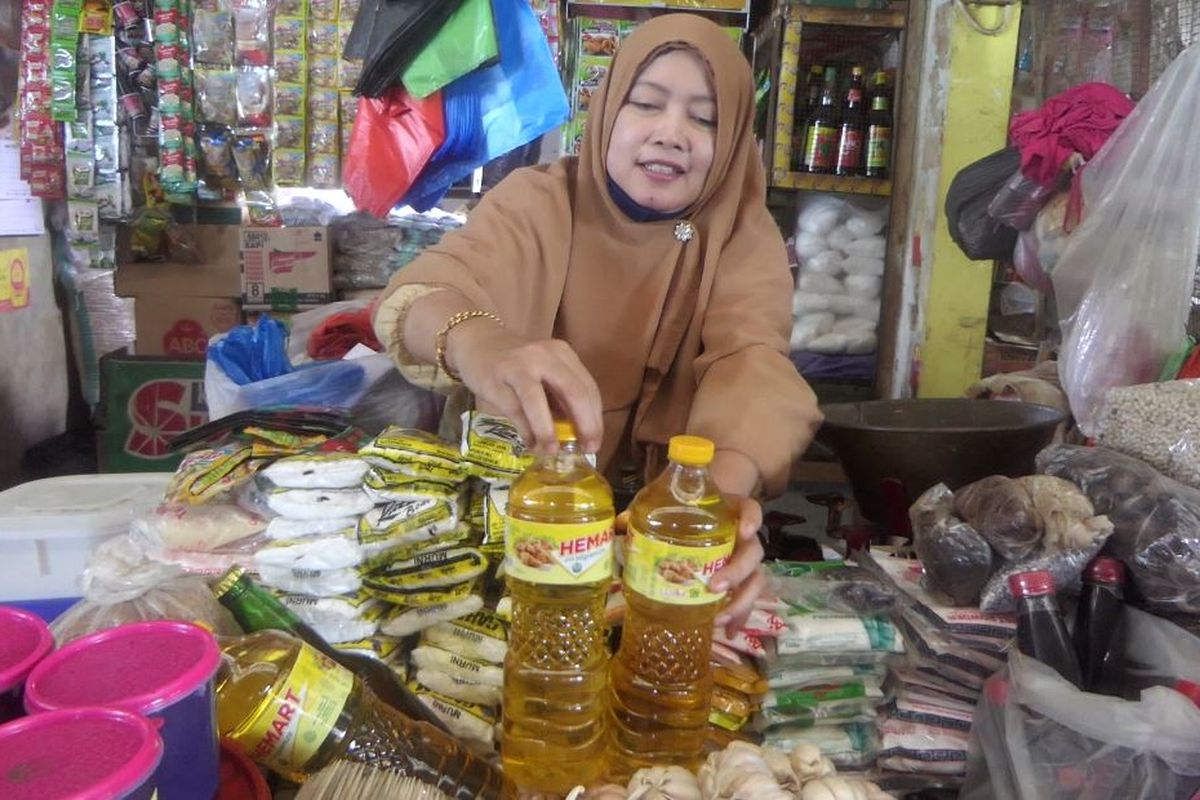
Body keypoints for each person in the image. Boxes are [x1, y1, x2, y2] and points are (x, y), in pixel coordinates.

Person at [372, 14, 821, 632]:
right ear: (606, 111)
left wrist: (708, 505)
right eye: (646, 103)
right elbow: (419, 296)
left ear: (736, 139)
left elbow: (753, 362)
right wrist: (487, 347)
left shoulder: (741, 236)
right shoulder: (538, 201)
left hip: (657, 572)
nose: (671, 133)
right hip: (510, 544)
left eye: (705, 118)